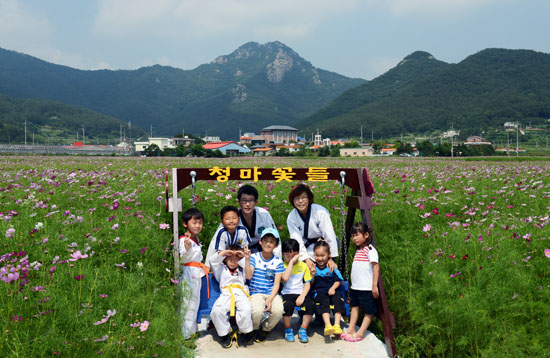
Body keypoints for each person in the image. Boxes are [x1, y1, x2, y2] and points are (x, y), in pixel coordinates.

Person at [286, 184, 339, 274]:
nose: (300, 201)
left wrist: (330, 258)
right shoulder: (292, 216)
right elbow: (297, 239)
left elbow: (329, 235)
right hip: (306, 247)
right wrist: (306, 259)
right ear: (293, 201)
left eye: (303, 198)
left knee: (327, 271)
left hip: (324, 244)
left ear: (309, 199)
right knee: (308, 272)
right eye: (296, 199)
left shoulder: (320, 212)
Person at [245, 228, 285, 343]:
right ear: (260, 242)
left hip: (271, 293)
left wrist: (271, 299)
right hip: (256, 292)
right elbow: (248, 276)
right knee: (257, 311)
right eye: (266, 240)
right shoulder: (254, 257)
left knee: (278, 310)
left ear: (276, 245)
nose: (268, 243)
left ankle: (266, 328)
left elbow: (277, 284)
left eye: (272, 241)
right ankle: (254, 328)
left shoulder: (278, 261)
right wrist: (247, 260)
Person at [209, 245, 254, 348]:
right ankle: (225, 333)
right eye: (230, 259)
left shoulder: (242, 268)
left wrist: (244, 257)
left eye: (236, 259)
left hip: (240, 293)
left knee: (246, 310)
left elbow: (249, 276)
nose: (233, 262)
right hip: (226, 293)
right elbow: (213, 261)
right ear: (225, 260)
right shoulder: (220, 269)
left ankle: (243, 332)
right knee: (216, 311)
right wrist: (225, 252)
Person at [342, 222, 380, 342]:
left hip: (366, 288)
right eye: (353, 236)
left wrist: (374, 285)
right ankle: (351, 328)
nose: (355, 238)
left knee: (369, 311)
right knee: (355, 307)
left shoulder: (370, 250)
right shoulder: (359, 250)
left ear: (366, 235)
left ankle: (360, 333)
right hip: (356, 287)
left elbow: (376, 267)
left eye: (357, 235)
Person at [229, 184, 281, 257]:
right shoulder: (232, 216)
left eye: (251, 200)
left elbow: (275, 237)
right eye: (244, 200)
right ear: (239, 202)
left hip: (261, 248)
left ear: (256, 202)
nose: (247, 204)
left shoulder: (263, 214)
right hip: (239, 250)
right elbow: (219, 238)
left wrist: (277, 260)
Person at [178, 208, 206, 339]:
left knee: (194, 302)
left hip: (196, 273)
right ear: (185, 224)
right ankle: (185, 335)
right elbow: (181, 258)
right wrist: (186, 247)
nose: (198, 226)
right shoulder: (184, 240)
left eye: (200, 223)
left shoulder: (195, 238)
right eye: (194, 223)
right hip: (189, 273)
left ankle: (192, 330)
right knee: (188, 303)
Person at [281, 239, 314, 343]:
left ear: (298, 254)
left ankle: (303, 329)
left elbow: (307, 284)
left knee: (310, 305)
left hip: (300, 293)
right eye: (287, 255)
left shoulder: (303, 266)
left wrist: (303, 296)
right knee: (287, 306)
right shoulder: (281, 265)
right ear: (282, 254)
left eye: (294, 255)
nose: (291, 258)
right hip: (286, 293)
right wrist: (290, 262)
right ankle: (288, 329)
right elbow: (284, 278)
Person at [311, 240, 345, 336]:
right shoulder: (314, 267)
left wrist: (333, 288)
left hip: (333, 289)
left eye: (323, 255)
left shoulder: (332, 267)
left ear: (328, 255)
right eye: (317, 256)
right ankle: (328, 325)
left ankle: (337, 325)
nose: (320, 258)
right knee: (323, 301)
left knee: (338, 300)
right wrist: (312, 275)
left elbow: (338, 280)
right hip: (320, 292)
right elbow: (312, 284)